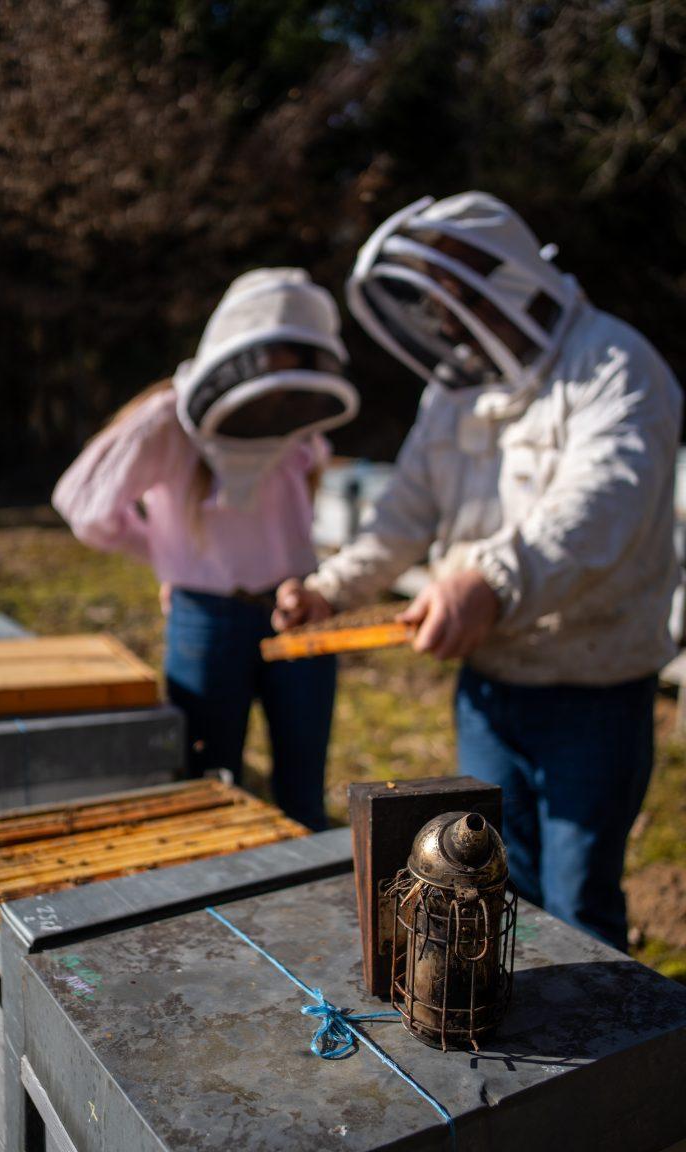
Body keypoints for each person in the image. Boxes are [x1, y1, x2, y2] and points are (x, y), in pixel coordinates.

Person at [273, 192, 682, 949]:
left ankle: (604, 1024)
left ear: (511, 277)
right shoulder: (454, 391)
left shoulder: (615, 365)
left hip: (593, 691)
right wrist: (332, 588)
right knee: (493, 885)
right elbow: (404, 512)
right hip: (488, 688)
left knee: (580, 899)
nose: (449, 319)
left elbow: (599, 506)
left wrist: (491, 579)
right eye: (437, 301)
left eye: (457, 293)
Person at [53, 268, 359, 831]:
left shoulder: (300, 409)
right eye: (271, 353)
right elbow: (85, 505)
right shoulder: (167, 418)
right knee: (211, 792)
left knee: (303, 794)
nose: (281, 370)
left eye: (295, 355)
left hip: (299, 609)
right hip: (208, 619)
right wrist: (168, 555)